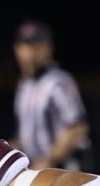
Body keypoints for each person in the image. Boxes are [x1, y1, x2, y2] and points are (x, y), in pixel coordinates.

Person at [11, 20, 91, 171]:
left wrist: (50, 159)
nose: (29, 51)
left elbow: (76, 127)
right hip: (37, 167)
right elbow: (26, 132)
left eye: (35, 45)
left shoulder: (58, 81)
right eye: (24, 45)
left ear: (48, 48)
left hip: (63, 167)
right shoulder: (24, 85)